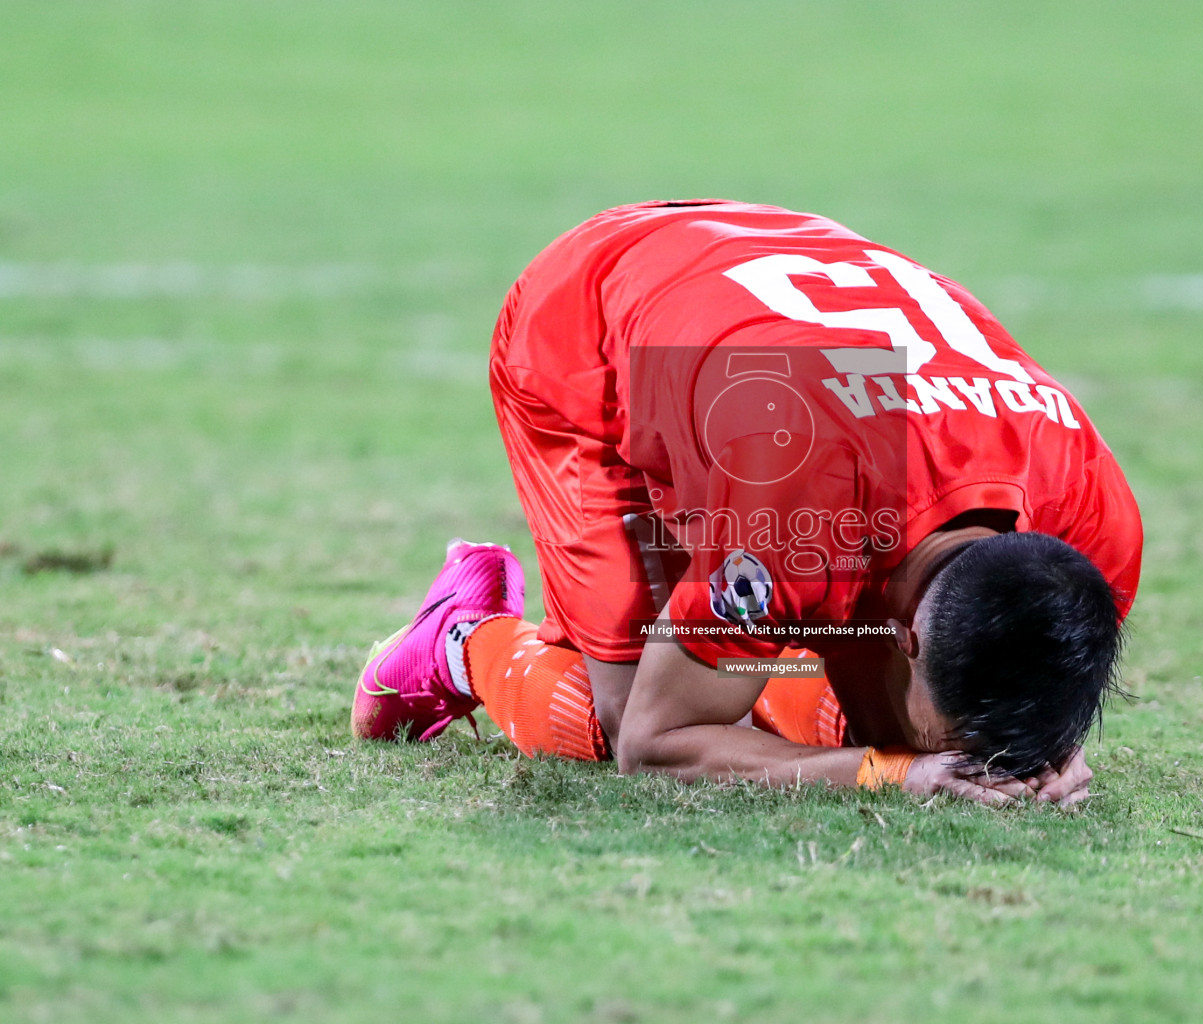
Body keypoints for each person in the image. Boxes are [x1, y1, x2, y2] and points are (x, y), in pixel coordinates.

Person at [352, 200, 1141, 808]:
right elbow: (656, 745)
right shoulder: (795, 520)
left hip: (754, 295)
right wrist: (890, 775)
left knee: (882, 717)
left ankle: (792, 682)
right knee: (609, 722)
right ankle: (461, 635)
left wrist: (1038, 743)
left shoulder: (1091, 523)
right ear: (901, 636)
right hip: (591, 319)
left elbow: (1012, 673)